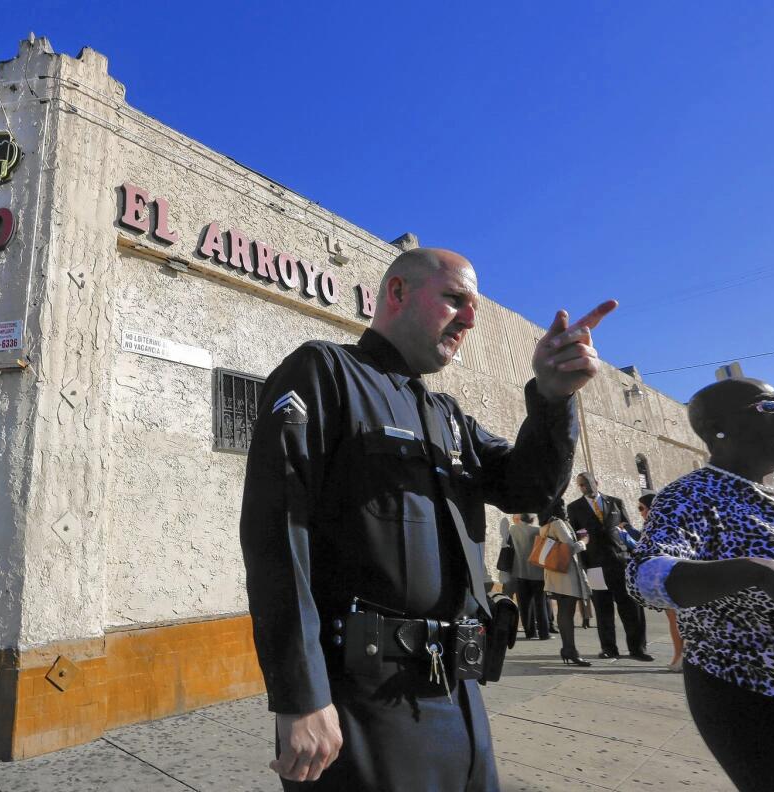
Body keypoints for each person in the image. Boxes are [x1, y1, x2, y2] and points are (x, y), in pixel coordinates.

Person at [239, 246, 616, 789]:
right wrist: (302, 695)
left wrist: (553, 399)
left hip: (457, 689)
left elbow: (527, 487)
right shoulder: (325, 372)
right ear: (397, 293)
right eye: (454, 299)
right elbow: (277, 533)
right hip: (362, 696)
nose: (468, 318)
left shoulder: (449, 418)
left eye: (474, 309)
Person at [627, 378, 774, 792]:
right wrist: (759, 570)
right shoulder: (695, 494)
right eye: (768, 408)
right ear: (719, 428)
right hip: (766, 701)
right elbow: (643, 575)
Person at [566, 473, 652, 660]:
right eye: (580, 485)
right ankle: (609, 648)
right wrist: (584, 565)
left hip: (621, 562)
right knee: (603, 609)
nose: (584, 487)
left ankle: (638, 649)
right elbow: (576, 536)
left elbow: (626, 527)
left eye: (587, 483)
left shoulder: (615, 502)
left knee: (630, 607)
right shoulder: (574, 508)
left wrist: (631, 554)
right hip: (595, 565)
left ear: (596, 483)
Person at [538, 503, 592, 666]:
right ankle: (570, 650)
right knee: (567, 613)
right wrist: (584, 541)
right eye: (563, 507)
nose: (566, 511)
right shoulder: (558, 523)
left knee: (564, 612)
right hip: (566, 574)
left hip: (555, 574)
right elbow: (569, 548)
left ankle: (568, 649)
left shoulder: (545, 525)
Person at [637, 492, 683, 671]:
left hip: (669, 576)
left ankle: (679, 657)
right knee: (676, 619)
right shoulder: (668, 522)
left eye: (641, 508)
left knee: (675, 619)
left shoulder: (658, 526)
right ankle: (679, 656)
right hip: (670, 574)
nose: (640, 512)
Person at [506, 514, 550, 639]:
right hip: (538, 573)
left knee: (524, 605)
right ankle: (544, 633)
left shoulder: (513, 529)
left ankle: (529, 632)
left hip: (520, 572)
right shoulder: (538, 530)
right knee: (540, 604)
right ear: (533, 519)